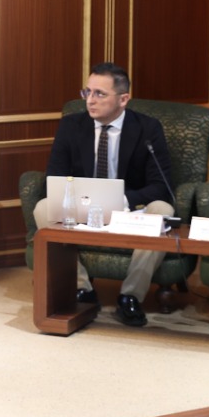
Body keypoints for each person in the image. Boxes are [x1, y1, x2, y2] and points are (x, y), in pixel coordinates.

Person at [33, 62, 174, 327]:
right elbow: (55, 176)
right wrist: (82, 199)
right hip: (83, 207)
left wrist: (123, 201)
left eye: (100, 93)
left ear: (123, 99)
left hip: (130, 209)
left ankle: (130, 296)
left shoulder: (147, 129)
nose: (90, 100)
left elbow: (161, 186)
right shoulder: (71, 125)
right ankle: (82, 287)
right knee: (42, 207)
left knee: (163, 210)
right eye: (87, 92)